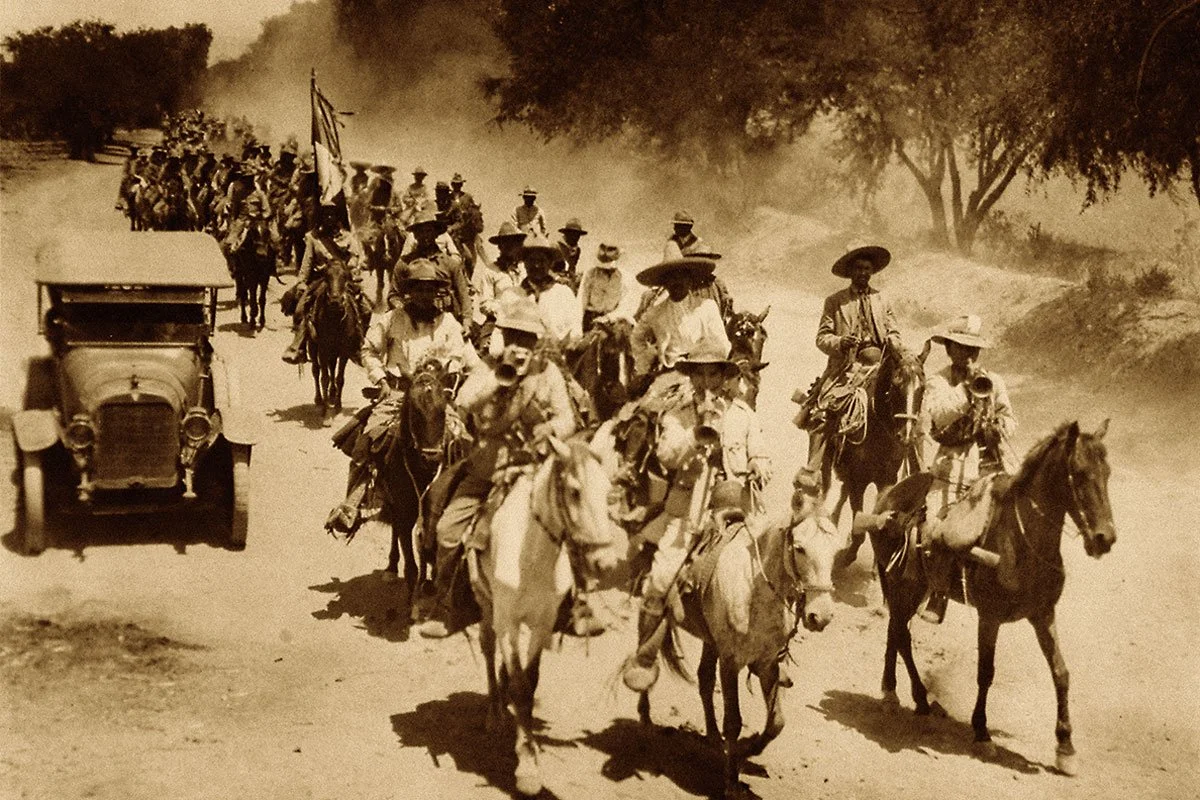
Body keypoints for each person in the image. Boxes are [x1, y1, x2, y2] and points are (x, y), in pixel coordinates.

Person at [416, 298, 577, 638]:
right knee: (446, 531)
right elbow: (462, 402)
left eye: (527, 339)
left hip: (532, 471)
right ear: (505, 336)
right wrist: (500, 379)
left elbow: (567, 419)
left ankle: (574, 605)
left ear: (537, 341)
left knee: (574, 521)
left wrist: (549, 429)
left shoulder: (547, 373)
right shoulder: (487, 368)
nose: (520, 345)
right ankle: (448, 606)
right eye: (514, 336)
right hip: (485, 471)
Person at [621, 344, 771, 692]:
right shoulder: (677, 416)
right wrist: (696, 432)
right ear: (690, 376)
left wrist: (757, 466)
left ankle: (774, 651)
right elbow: (668, 456)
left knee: (780, 562)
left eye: (713, 373)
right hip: (691, 512)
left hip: (740, 508)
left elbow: (763, 455)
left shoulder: (743, 415)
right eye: (699, 373)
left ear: (724, 377)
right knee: (660, 579)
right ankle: (645, 657)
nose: (706, 380)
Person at [327, 260, 480, 533]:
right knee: (369, 439)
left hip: (439, 399)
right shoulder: (391, 319)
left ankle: (468, 503)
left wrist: (457, 383)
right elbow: (369, 351)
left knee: (468, 441)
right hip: (398, 393)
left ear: (438, 292)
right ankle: (354, 504)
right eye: (419, 289)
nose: (424, 295)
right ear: (409, 291)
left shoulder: (450, 324)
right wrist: (381, 380)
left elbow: (468, 361)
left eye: (430, 289)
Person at [918, 314, 1017, 623]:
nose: (970, 355)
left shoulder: (995, 381)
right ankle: (938, 593)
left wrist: (1000, 426)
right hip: (952, 467)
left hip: (990, 465)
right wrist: (967, 390)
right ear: (949, 349)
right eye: (962, 347)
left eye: (975, 349)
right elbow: (938, 416)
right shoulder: (937, 380)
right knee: (938, 530)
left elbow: (1011, 418)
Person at [792, 245, 902, 491]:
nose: (863, 273)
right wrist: (840, 342)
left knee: (907, 400)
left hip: (880, 363)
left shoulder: (883, 299)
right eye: (859, 268)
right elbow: (822, 338)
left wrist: (893, 343)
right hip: (846, 369)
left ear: (872, 271)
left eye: (867, 268)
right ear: (850, 271)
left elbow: (894, 330)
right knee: (823, 411)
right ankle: (813, 470)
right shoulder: (835, 302)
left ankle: (913, 461)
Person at [630, 254, 731, 396]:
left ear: (690, 280)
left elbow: (722, 343)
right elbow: (636, 337)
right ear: (664, 283)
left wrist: (708, 365)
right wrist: (646, 360)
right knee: (646, 409)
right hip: (670, 374)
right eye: (670, 278)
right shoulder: (655, 313)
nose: (676, 282)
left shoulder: (706, 307)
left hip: (703, 373)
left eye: (681, 277)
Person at [281, 205, 372, 364]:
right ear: (321, 218)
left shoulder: (348, 238)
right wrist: (301, 282)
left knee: (366, 309)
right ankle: (299, 347)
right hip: (321, 279)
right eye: (325, 215)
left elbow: (354, 259)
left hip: (343, 279)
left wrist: (350, 270)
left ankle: (358, 346)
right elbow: (307, 261)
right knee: (300, 309)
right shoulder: (313, 238)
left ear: (337, 217)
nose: (329, 218)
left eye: (332, 215)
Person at [389, 208, 473, 326]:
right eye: (420, 232)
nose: (425, 236)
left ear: (436, 233)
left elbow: (463, 295)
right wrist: (401, 308)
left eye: (428, 231)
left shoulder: (450, 264)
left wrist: (467, 321)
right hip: (412, 319)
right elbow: (394, 294)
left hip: (445, 319)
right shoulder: (404, 263)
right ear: (415, 235)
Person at [472, 222, 526, 348]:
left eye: (513, 243)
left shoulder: (525, 268)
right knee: (487, 349)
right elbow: (485, 303)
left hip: (525, 319)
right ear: (499, 247)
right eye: (505, 243)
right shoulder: (491, 271)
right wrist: (503, 310)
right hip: (497, 321)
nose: (509, 246)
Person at [578, 243, 635, 331]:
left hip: (614, 319)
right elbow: (581, 300)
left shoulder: (625, 277)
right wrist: (578, 326)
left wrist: (608, 318)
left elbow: (626, 305)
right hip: (590, 319)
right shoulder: (590, 274)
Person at [555, 218, 588, 291]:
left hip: (568, 285)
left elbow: (572, 269)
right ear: (566, 233)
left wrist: (576, 278)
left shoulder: (577, 250)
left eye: (577, 235)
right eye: (572, 234)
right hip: (554, 284)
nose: (575, 237)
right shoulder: (555, 247)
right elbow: (546, 269)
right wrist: (557, 278)